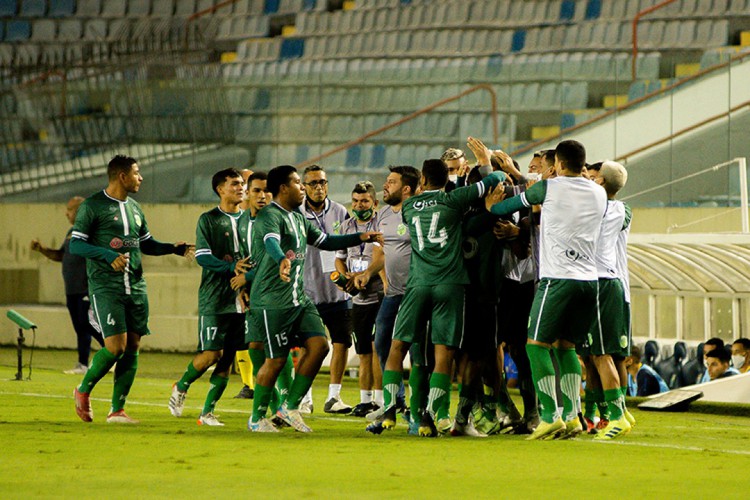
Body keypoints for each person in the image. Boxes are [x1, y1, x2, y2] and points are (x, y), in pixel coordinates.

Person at [377, 137, 506, 437]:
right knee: (444, 353)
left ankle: (388, 409)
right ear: (446, 178)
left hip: (417, 284)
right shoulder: (454, 200)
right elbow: (496, 180)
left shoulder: (408, 208)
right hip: (450, 284)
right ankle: (441, 414)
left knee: (399, 347)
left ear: (422, 180)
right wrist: (487, 167)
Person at [485, 139, 608, 441]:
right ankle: (573, 415)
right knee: (566, 347)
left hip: (557, 279)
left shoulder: (548, 188)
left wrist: (492, 206)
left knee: (535, 346)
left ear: (558, 165)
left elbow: (506, 206)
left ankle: (551, 415)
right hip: (589, 280)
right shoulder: (599, 192)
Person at [247, 165, 382, 432]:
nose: (303, 188)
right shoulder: (269, 216)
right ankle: (256, 417)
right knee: (274, 360)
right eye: (298, 183)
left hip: (299, 298)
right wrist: (281, 260)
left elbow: (325, 241)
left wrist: (361, 236)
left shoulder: (298, 218)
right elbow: (271, 241)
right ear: (284, 188)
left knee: (320, 345)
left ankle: (290, 407)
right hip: (273, 300)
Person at [71, 155, 193, 423]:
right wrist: (106, 255)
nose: (141, 178)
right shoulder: (93, 206)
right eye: (137, 173)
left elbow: (146, 244)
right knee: (115, 347)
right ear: (122, 176)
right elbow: (76, 245)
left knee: (134, 345)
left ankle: (117, 410)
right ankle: (83, 389)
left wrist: (173, 248)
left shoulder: (136, 208)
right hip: (106, 286)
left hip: (135, 286)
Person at [168, 168, 252, 426]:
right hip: (215, 298)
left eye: (242, 184)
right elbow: (202, 256)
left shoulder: (250, 220)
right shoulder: (209, 220)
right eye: (235, 184)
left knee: (228, 358)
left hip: (242, 299)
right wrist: (231, 268)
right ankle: (181, 386)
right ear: (220, 189)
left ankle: (207, 412)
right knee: (211, 354)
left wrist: (248, 285)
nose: (241, 188)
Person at [354, 166, 421, 429]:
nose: (385, 185)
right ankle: (397, 401)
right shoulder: (382, 215)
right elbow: (380, 253)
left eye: (391, 182)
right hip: (392, 293)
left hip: (415, 293)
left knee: (417, 350)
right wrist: (373, 274)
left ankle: (418, 405)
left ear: (406, 188)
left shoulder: (416, 212)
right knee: (381, 342)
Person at [234, 171, 296, 421]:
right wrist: (243, 288)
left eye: (266, 191)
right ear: (247, 193)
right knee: (255, 345)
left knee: (278, 348)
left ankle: (287, 404)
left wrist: (246, 279)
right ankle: (273, 408)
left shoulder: (277, 219)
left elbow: (270, 260)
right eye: (257, 191)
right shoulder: (242, 222)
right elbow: (247, 261)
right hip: (255, 294)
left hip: (277, 292)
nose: (262, 196)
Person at [581, 160, 635, 440]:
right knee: (594, 355)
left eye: (591, 178)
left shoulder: (605, 208)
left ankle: (615, 413)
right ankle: (602, 413)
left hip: (607, 283)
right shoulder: (617, 208)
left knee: (609, 355)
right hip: (599, 282)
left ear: (600, 182)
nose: (586, 181)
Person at [299, 164, 354, 414]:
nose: (319, 187)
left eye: (322, 182)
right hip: (307, 290)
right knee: (308, 345)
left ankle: (333, 397)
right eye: (313, 183)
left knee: (342, 341)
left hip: (337, 290)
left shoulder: (340, 211)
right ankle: (304, 397)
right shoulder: (296, 214)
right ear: (304, 187)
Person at [30, 196, 105, 374]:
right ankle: (82, 364)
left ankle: (113, 352)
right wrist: (42, 249)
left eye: (69, 209)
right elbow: (61, 256)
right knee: (80, 326)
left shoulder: (91, 232)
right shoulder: (72, 232)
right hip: (72, 289)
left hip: (86, 287)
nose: (66, 213)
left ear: (79, 211)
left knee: (87, 323)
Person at [335, 181, 384, 417]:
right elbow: (339, 258)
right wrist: (345, 275)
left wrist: (366, 274)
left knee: (377, 349)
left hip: (378, 296)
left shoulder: (381, 223)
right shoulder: (346, 227)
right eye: (355, 201)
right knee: (363, 350)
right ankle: (365, 400)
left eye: (364, 201)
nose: (358, 205)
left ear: (374, 202)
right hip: (358, 299)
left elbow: (381, 255)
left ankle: (380, 399)